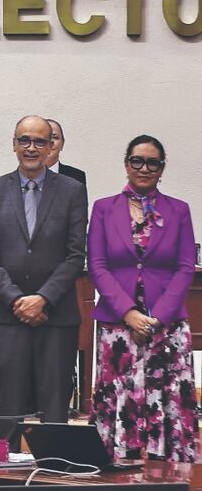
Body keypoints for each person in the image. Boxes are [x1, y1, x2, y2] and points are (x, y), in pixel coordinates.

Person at [0, 116, 87, 450]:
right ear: (14, 144)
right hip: (7, 315)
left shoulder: (72, 190)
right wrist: (17, 300)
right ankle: (5, 471)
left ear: (51, 146)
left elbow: (75, 255)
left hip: (56, 316)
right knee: (10, 408)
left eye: (40, 141)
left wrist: (42, 298)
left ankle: (55, 467)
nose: (31, 148)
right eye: (24, 140)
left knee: (55, 408)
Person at [88, 135, 198, 462]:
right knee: (121, 399)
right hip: (117, 325)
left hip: (166, 327)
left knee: (168, 401)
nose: (144, 168)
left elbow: (185, 266)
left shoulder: (178, 210)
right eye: (137, 160)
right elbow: (97, 265)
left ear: (161, 169)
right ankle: (119, 467)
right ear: (126, 164)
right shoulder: (104, 208)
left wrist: (156, 318)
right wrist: (129, 313)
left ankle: (168, 474)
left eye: (153, 162)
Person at [45, 119, 87, 185]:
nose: (50, 142)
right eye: (44, 137)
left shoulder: (76, 176)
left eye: (54, 137)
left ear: (62, 144)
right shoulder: (27, 175)